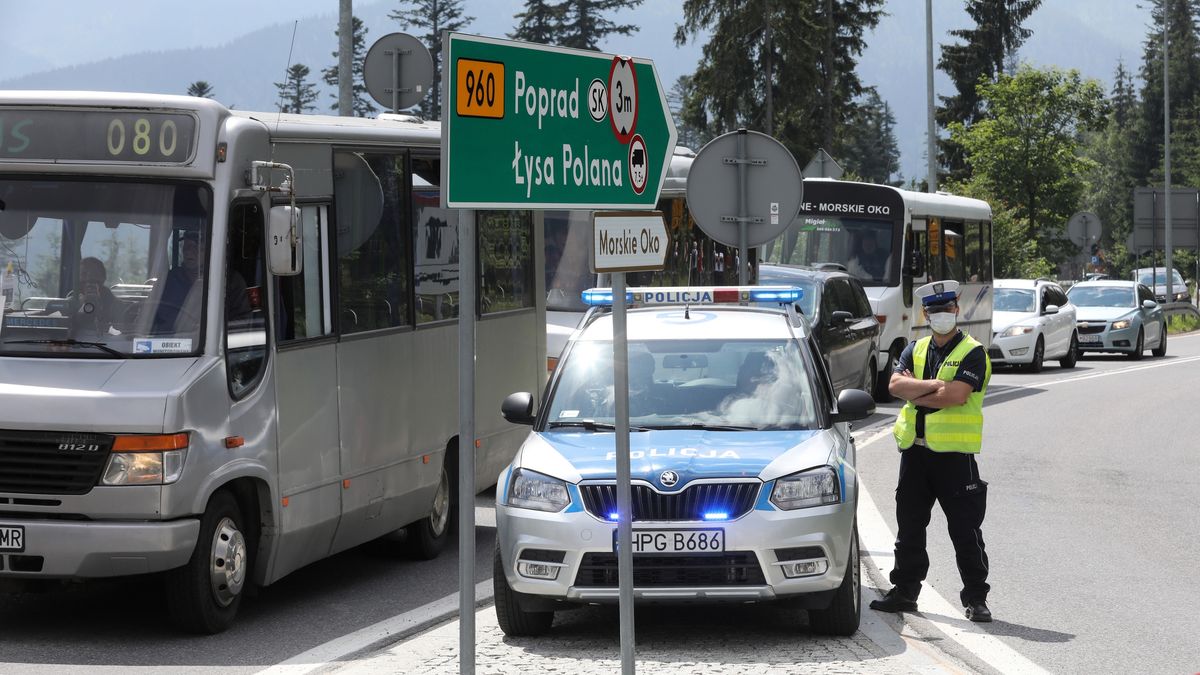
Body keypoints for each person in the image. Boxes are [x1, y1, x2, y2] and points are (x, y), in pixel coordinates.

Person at [870, 279, 994, 623]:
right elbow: (895, 385)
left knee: (965, 531)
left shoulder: (972, 351)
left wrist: (917, 392)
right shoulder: (915, 348)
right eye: (936, 311)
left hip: (955, 456)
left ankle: (976, 598)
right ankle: (905, 592)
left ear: (957, 310)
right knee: (909, 528)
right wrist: (935, 386)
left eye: (948, 309)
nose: (943, 315)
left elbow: (957, 395)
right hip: (915, 452)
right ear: (926, 314)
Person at [69, 257, 122, 336]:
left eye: (94, 274)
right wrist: (82, 306)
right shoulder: (69, 302)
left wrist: (99, 307)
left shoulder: (116, 306)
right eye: (84, 274)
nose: (89, 279)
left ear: (103, 278)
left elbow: (119, 333)